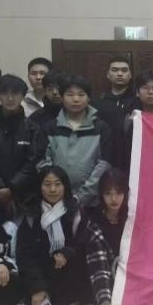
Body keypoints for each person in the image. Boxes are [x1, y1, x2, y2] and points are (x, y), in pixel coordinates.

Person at [18, 166, 93, 305]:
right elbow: (25, 255)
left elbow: (83, 243)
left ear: (65, 186)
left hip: (71, 273)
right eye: (47, 184)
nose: (52, 189)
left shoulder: (75, 212)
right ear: (40, 187)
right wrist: (37, 288)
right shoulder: (31, 216)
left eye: (58, 184)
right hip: (42, 274)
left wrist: (68, 252)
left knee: (66, 276)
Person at [77, 169, 135, 305]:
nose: (114, 199)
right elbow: (99, 266)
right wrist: (104, 301)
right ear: (101, 195)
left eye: (119, 193)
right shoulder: (93, 222)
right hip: (103, 278)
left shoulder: (133, 218)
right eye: (108, 193)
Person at [0, 74, 47, 215]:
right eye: (4, 93)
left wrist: (12, 187)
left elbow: (34, 160)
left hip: (26, 194)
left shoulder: (33, 128)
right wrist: (0, 186)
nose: (10, 98)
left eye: (15, 93)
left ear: (23, 96)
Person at [43, 75, 113, 207]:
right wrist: (56, 190)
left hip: (92, 202)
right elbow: (44, 162)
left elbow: (104, 164)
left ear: (89, 98)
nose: (75, 99)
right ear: (62, 97)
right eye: (70, 94)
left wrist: (81, 197)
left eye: (81, 94)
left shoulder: (101, 127)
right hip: (55, 200)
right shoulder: (51, 127)